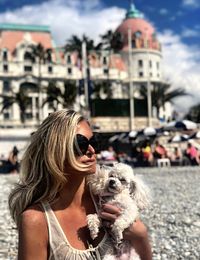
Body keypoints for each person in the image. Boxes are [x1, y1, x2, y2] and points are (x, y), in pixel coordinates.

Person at [9, 109, 152, 260]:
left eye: (94, 142)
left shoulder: (106, 197)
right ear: (55, 150)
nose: (91, 150)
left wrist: (140, 235)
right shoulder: (36, 219)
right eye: (80, 144)